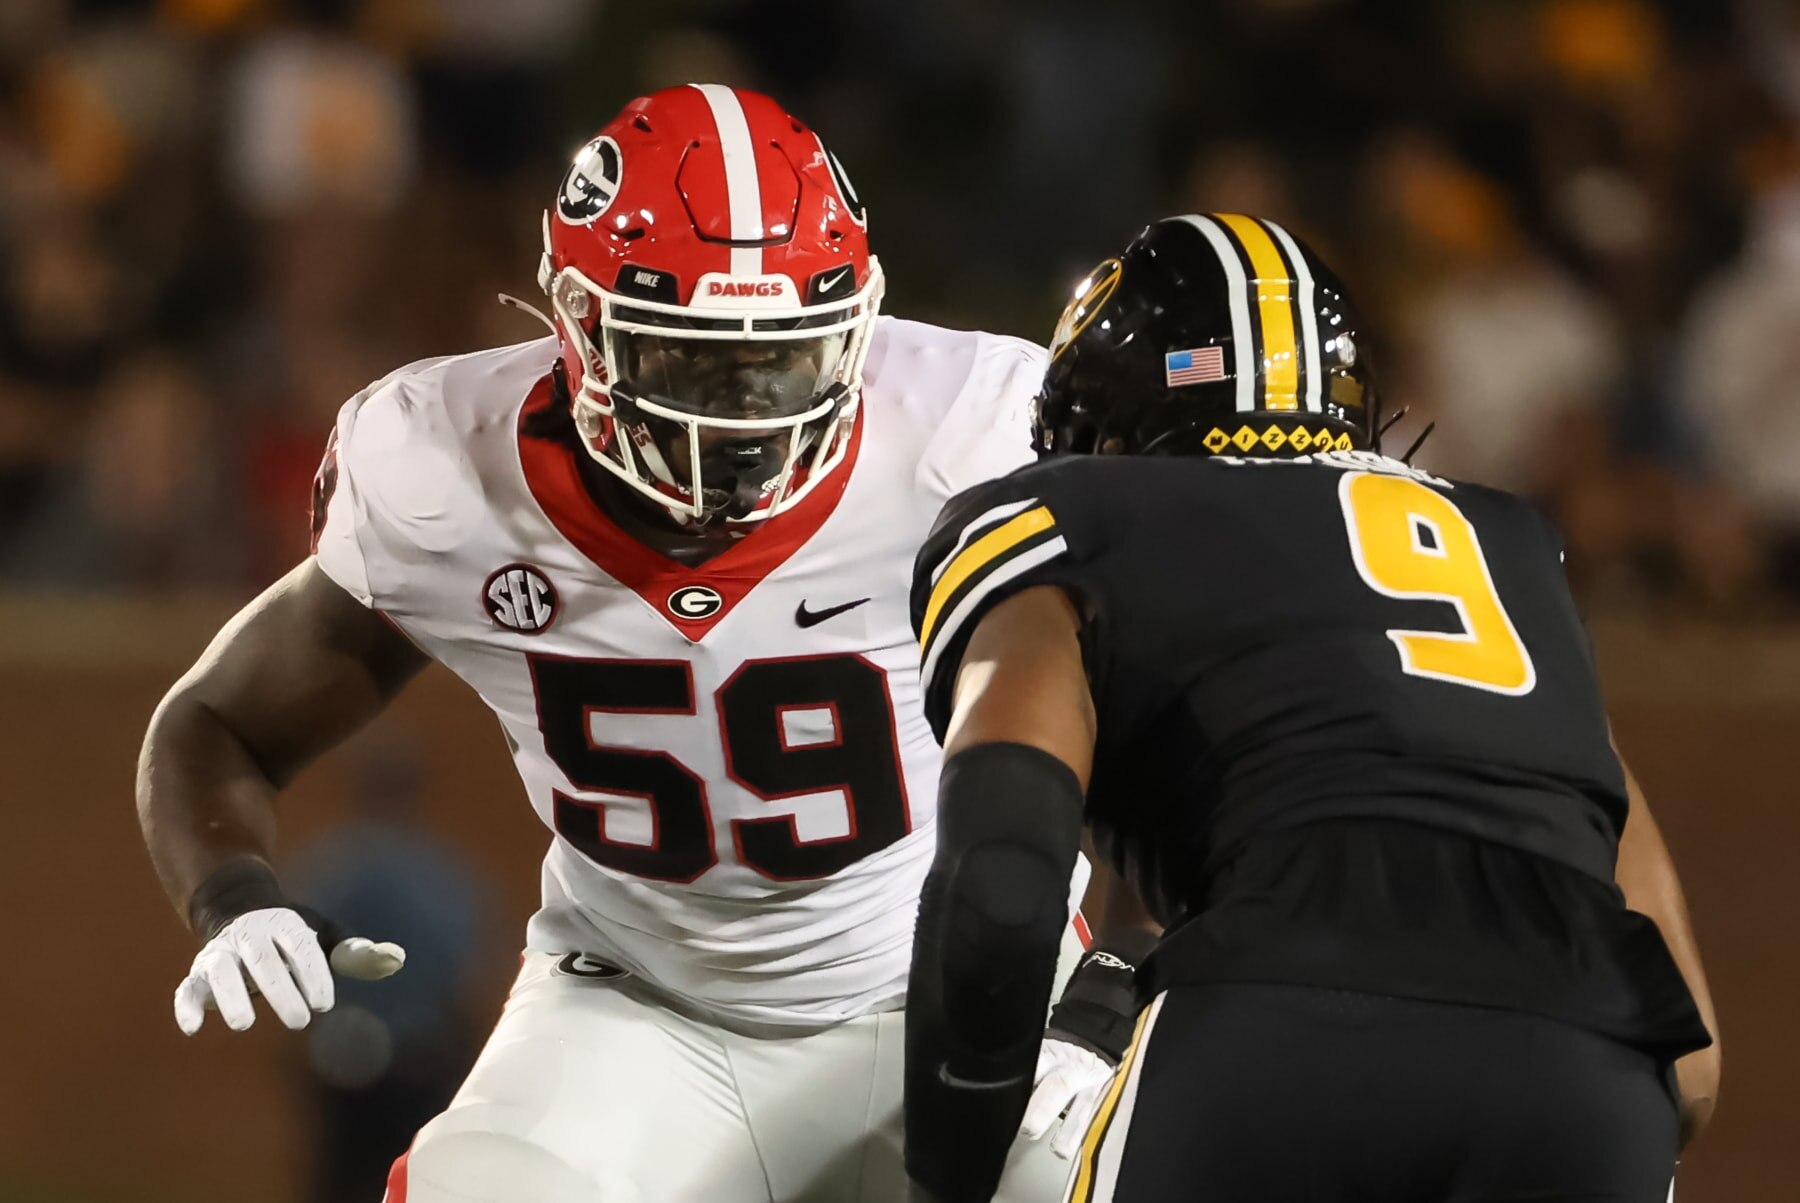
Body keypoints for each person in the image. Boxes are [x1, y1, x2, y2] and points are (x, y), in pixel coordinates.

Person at [135, 85, 1095, 1203]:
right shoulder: (446, 473)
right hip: (640, 1009)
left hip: (958, 989)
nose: (743, 415)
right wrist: (232, 894)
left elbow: (1169, 707)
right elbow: (215, 723)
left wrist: (1121, 968)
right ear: (578, 324)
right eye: (695, 363)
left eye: (780, 360)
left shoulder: (975, 435)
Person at [902, 214, 1720, 1203]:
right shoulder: (1506, 551)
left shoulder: (1068, 519)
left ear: (1104, 429)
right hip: (1592, 1068)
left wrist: (955, 1156)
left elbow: (1001, 886)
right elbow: (1697, 1063)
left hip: (1282, 1025)